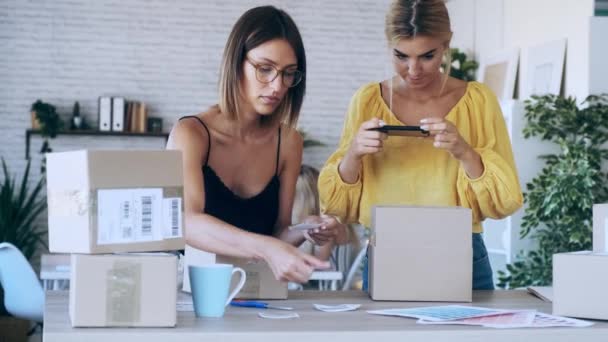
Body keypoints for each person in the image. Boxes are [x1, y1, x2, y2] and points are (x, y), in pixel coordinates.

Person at [318, 0, 523, 290]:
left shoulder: (478, 101)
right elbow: (339, 207)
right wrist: (354, 153)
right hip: (386, 252)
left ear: (446, 43)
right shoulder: (367, 101)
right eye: (401, 56)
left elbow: (505, 201)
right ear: (389, 46)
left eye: (428, 56)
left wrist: (464, 151)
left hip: (462, 253)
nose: (413, 70)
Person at [167, 6, 346, 284]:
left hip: (250, 293)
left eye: (288, 74)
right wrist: (265, 248)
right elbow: (186, 222)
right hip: (188, 291)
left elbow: (278, 234)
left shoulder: (287, 143)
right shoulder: (191, 134)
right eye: (265, 69)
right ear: (236, 62)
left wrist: (305, 229)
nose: (277, 86)